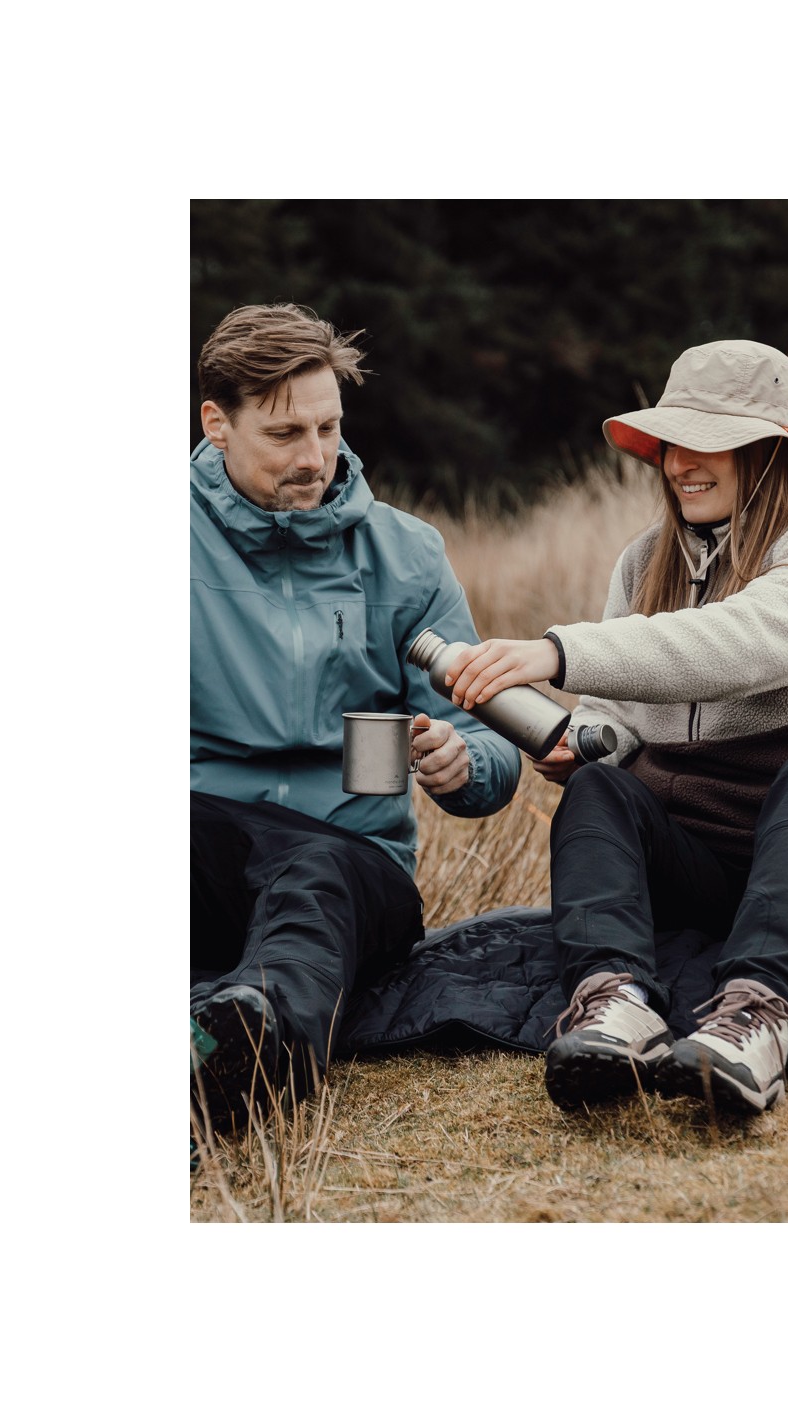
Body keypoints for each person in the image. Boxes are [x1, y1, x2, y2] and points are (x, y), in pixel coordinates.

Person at [443, 339, 788, 1116]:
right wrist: (589, 743)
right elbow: (615, 716)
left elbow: (736, 645)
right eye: (671, 442)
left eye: (709, 441)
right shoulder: (644, 563)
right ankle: (615, 1006)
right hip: (702, 870)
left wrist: (555, 653)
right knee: (601, 791)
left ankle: (758, 1019)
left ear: (773, 453)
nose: (680, 463)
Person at [190, 303, 521, 1141]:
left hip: (350, 866)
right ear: (217, 424)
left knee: (316, 875)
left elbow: (492, 742)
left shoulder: (407, 554)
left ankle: (249, 1048)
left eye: (329, 428)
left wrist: (464, 762)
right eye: (285, 434)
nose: (315, 457)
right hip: (206, 840)